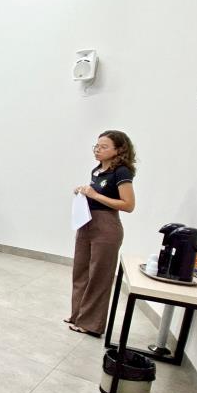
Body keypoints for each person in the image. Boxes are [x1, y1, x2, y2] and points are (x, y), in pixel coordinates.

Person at [67, 130, 137, 338]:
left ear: (118, 150)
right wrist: (83, 192)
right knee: (81, 270)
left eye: (104, 147)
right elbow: (94, 195)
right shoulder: (97, 170)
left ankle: (91, 323)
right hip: (87, 223)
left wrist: (95, 194)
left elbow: (128, 205)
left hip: (106, 226)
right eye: (96, 146)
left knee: (99, 275)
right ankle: (77, 315)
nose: (98, 150)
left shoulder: (122, 172)